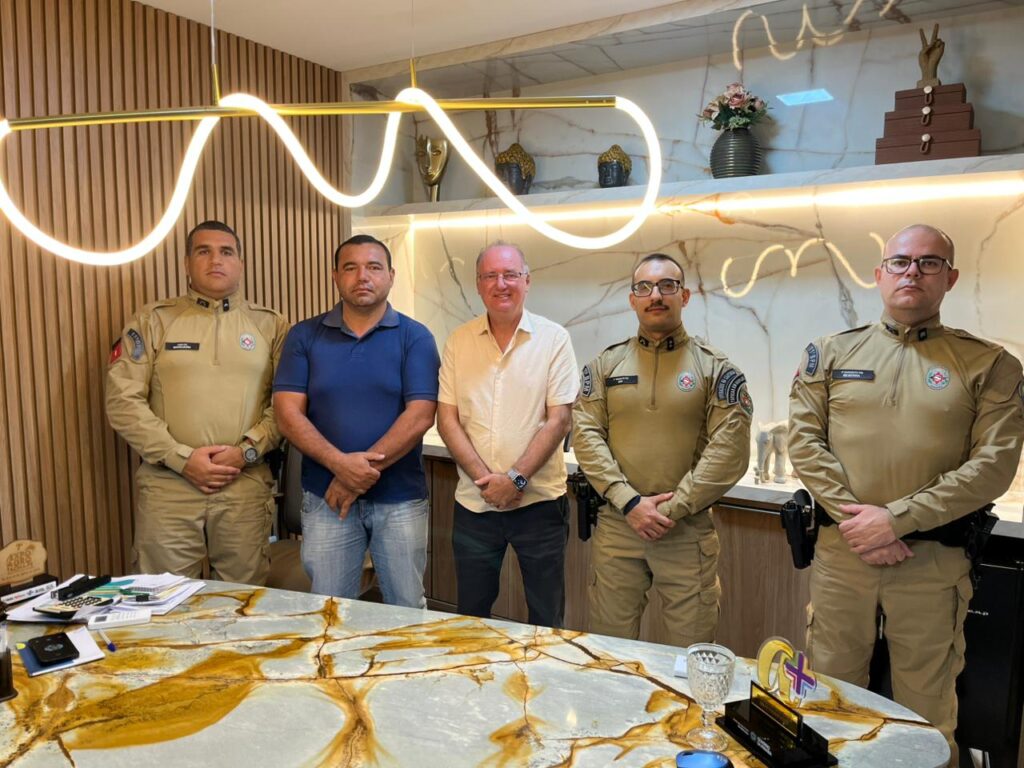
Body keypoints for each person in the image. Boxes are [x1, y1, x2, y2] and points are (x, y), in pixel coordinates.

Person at [788, 224, 1024, 765]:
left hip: (931, 564)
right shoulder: (828, 353)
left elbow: (993, 467)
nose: (912, 272)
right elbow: (804, 443)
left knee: (926, 713)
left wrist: (895, 520)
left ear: (950, 278)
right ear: (879, 274)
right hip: (843, 557)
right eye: (900, 261)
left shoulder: (991, 365)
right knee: (828, 702)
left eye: (928, 262)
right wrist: (862, 525)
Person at [573, 253, 752, 643]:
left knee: (688, 656)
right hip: (619, 528)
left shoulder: (716, 370)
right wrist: (630, 503)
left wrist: (670, 509)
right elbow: (585, 435)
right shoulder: (605, 365)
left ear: (684, 296)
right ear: (632, 299)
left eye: (667, 286)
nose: (656, 295)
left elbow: (730, 451)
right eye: (645, 287)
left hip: (686, 532)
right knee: (609, 651)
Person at [106, 220, 289, 584]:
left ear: (240, 263)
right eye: (203, 251)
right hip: (169, 486)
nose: (215, 260)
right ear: (186, 263)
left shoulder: (272, 325)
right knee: (161, 598)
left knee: (242, 600)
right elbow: (123, 401)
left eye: (226, 252)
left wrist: (246, 452)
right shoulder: (153, 321)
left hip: (244, 483)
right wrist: (181, 458)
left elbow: (287, 405)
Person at [273, 234, 439, 608]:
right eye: (351, 267)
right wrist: (341, 466)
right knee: (329, 610)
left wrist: (355, 475)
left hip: (400, 500)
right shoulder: (304, 335)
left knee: (406, 609)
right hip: (326, 498)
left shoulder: (415, 337)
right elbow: (287, 413)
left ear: (391, 276)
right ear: (335, 276)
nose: (363, 276)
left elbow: (420, 415)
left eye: (374, 267)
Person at [437, 241, 578, 628]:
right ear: (478, 285)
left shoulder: (554, 339)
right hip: (475, 504)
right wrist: (488, 482)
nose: (501, 284)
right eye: (490, 276)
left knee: (546, 616)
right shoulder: (458, 341)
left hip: (540, 505)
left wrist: (514, 479)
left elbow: (559, 420)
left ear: (527, 281)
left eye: (510, 275)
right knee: (472, 615)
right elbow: (447, 419)